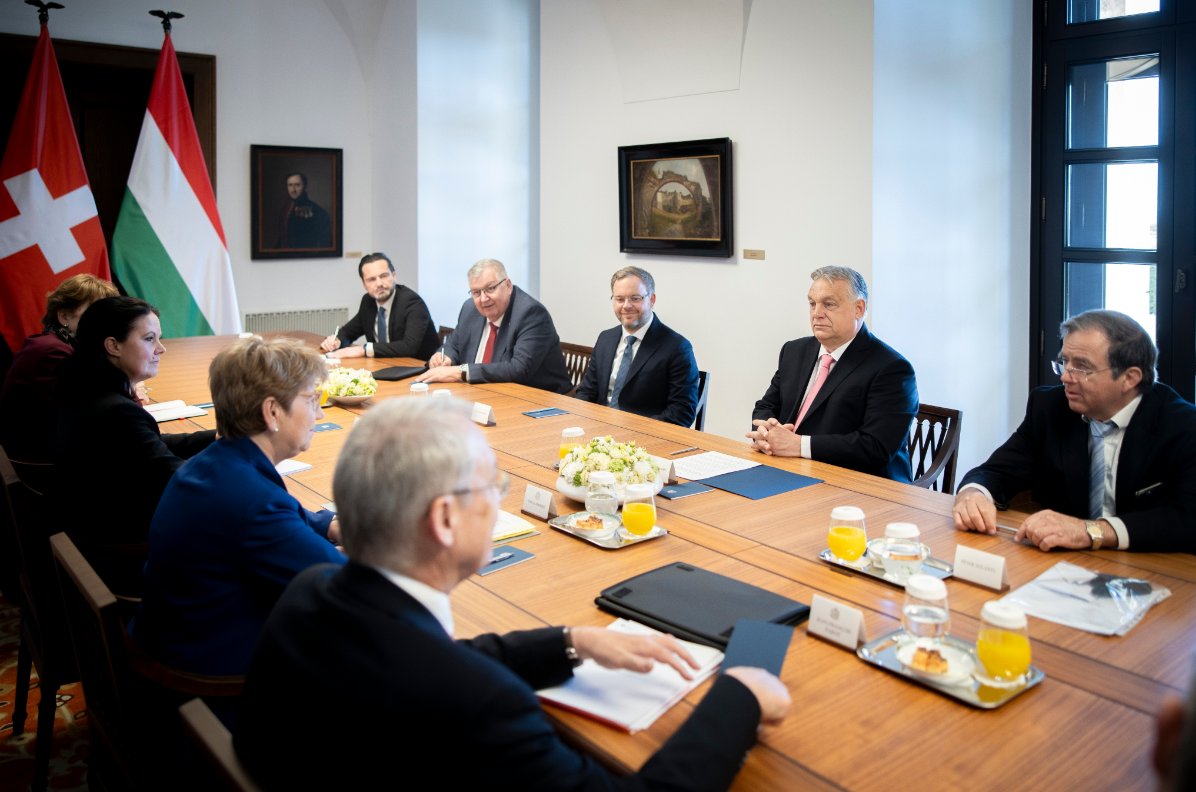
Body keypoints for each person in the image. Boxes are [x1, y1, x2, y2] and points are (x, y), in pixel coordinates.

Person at [234, 397, 790, 790]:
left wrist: (571, 642)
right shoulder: (478, 705)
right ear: (445, 519)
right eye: (492, 487)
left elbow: (436, 658)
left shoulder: (315, 589)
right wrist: (737, 698)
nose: (498, 500)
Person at [130, 336, 346, 696]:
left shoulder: (217, 462)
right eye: (312, 400)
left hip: (173, 647)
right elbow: (344, 589)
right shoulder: (252, 502)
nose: (320, 414)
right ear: (272, 411)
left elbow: (285, 518)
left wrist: (335, 525)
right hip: (214, 685)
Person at [953, 309, 1196, 553]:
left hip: (1154, 565)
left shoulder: (1183, 426)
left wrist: (1093, 531)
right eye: (1064, 362)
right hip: (1064, 562)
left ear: (1129, 378)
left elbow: (1187, 518)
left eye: (1082, 367)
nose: (1066, 377)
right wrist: (974, 493)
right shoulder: (1049, 407)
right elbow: (996, 472)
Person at [54, 296, 215, 597]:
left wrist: (219, 437)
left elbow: (148, 447)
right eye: (149, 339)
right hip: (128, 558)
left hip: (94, 536)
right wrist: (239, 460)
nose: (161, 349)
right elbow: (177, 478)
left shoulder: (88, 389)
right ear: (113, 345)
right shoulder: (115, 410)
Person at [747, 266, 918, 481]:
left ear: (859, 308)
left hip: (860, 485)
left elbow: (876, 447)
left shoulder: (891, 368)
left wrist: (799, 445)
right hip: (790, 470)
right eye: (812, 304)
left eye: (829, 304)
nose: (817, 313)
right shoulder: (794, 350)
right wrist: (767, 431)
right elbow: (766, 405)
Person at [0, 273, 118, 467]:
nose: (104, 324)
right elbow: (98, 414)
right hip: (42, 467)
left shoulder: (56, 344)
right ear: (64, 316)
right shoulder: (52, 352)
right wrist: (128, 380)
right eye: (94, 314)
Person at [419, 258, 573, 393]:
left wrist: (461, 372)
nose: (484, 299)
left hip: (538, 402)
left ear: (508, 285)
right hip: (484, 394)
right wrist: (444, 357)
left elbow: (518, 369)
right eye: (476, 292)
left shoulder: (531, 313)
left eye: (490, 288)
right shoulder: (470, 309)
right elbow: (454, 344)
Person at [574, 266, 699, 426]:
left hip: (644, 439)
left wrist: (634, 431)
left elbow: (682, 413)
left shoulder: (677, 348)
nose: (626, 306)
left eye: (635, 298)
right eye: (619, 299)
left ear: (651, 300)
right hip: (598, 432)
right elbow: (587, 391)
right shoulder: (606, 338)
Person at [318, 252, 439, 359]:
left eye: (384, 276)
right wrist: (336, 340)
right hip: (385, 365)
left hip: (418, 369)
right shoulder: (368, 302)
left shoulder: (412, 302)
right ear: (364, 284)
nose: (379, 283)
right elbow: (348, 331)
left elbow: (409, 346)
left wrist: (364, 350)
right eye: (372, 279)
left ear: (394, 276)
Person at [274, 171, 331, 249]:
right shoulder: (285, 208)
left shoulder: (316, 211)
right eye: (290, 185)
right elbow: (282, 238)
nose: (293, 190)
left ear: (304, 186)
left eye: (297, 185)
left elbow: (324, 242)